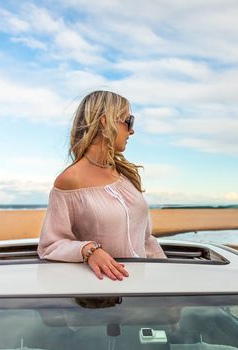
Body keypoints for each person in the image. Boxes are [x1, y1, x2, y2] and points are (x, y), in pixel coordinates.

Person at [37, 90, 166, 281]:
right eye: (128, 121)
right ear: (106, 121)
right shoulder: (71, 179)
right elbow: (50, 245)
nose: (132, 131)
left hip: (141, 287)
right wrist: (89, 250)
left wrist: (165, 278)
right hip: (102, 292)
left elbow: (146, 240)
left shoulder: (126, 175)